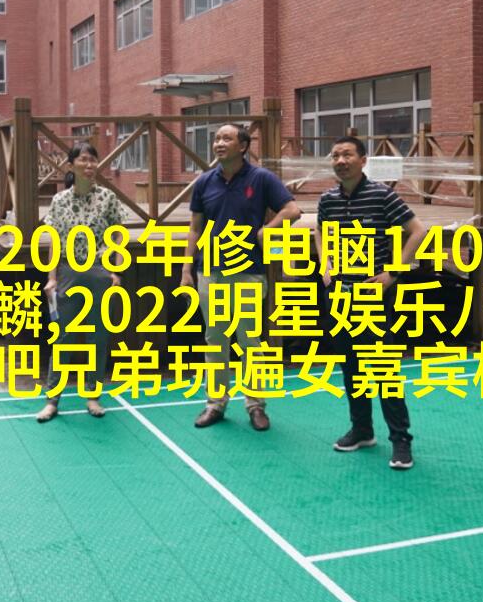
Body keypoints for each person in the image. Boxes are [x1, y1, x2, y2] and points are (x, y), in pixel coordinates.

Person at [180, 123, 301, 431]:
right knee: (215, 339)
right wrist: (186, 269)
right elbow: (195, 228)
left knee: (250, 341)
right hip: (211, 273)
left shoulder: (261, 178)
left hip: (248, 273)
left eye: (227, 138)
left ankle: (255, 405)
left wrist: (267, 230)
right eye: (217, 139)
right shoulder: (204, 182)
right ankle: (215, 403)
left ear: (243, 146)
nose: (219, 143)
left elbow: (292, 210)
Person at [316, 137, 427, 470]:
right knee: (350, 366)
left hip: (371, 295)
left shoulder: (381, 194)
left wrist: (393, 272)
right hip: (340, 294)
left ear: (363, 160)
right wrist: (325, 265)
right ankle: (362, 430)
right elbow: (320, 231)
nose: (340, 160)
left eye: (347, 154)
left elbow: (417, 231)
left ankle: (401, 440)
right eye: (335, 155)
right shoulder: (328, 199)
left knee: (383, 368)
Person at [37, 142, 126, 422]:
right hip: (68, 272)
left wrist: (116, 271)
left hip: (99, 272)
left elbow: (118, 235)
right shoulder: (59, 200)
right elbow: (54, 240)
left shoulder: (108, 197)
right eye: (84, 160)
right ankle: (52, 400)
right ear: (71, 165)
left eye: (93, 160)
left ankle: (93, 396)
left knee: (98, 336)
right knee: (62, 337)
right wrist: (51, 277)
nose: (89, 165)